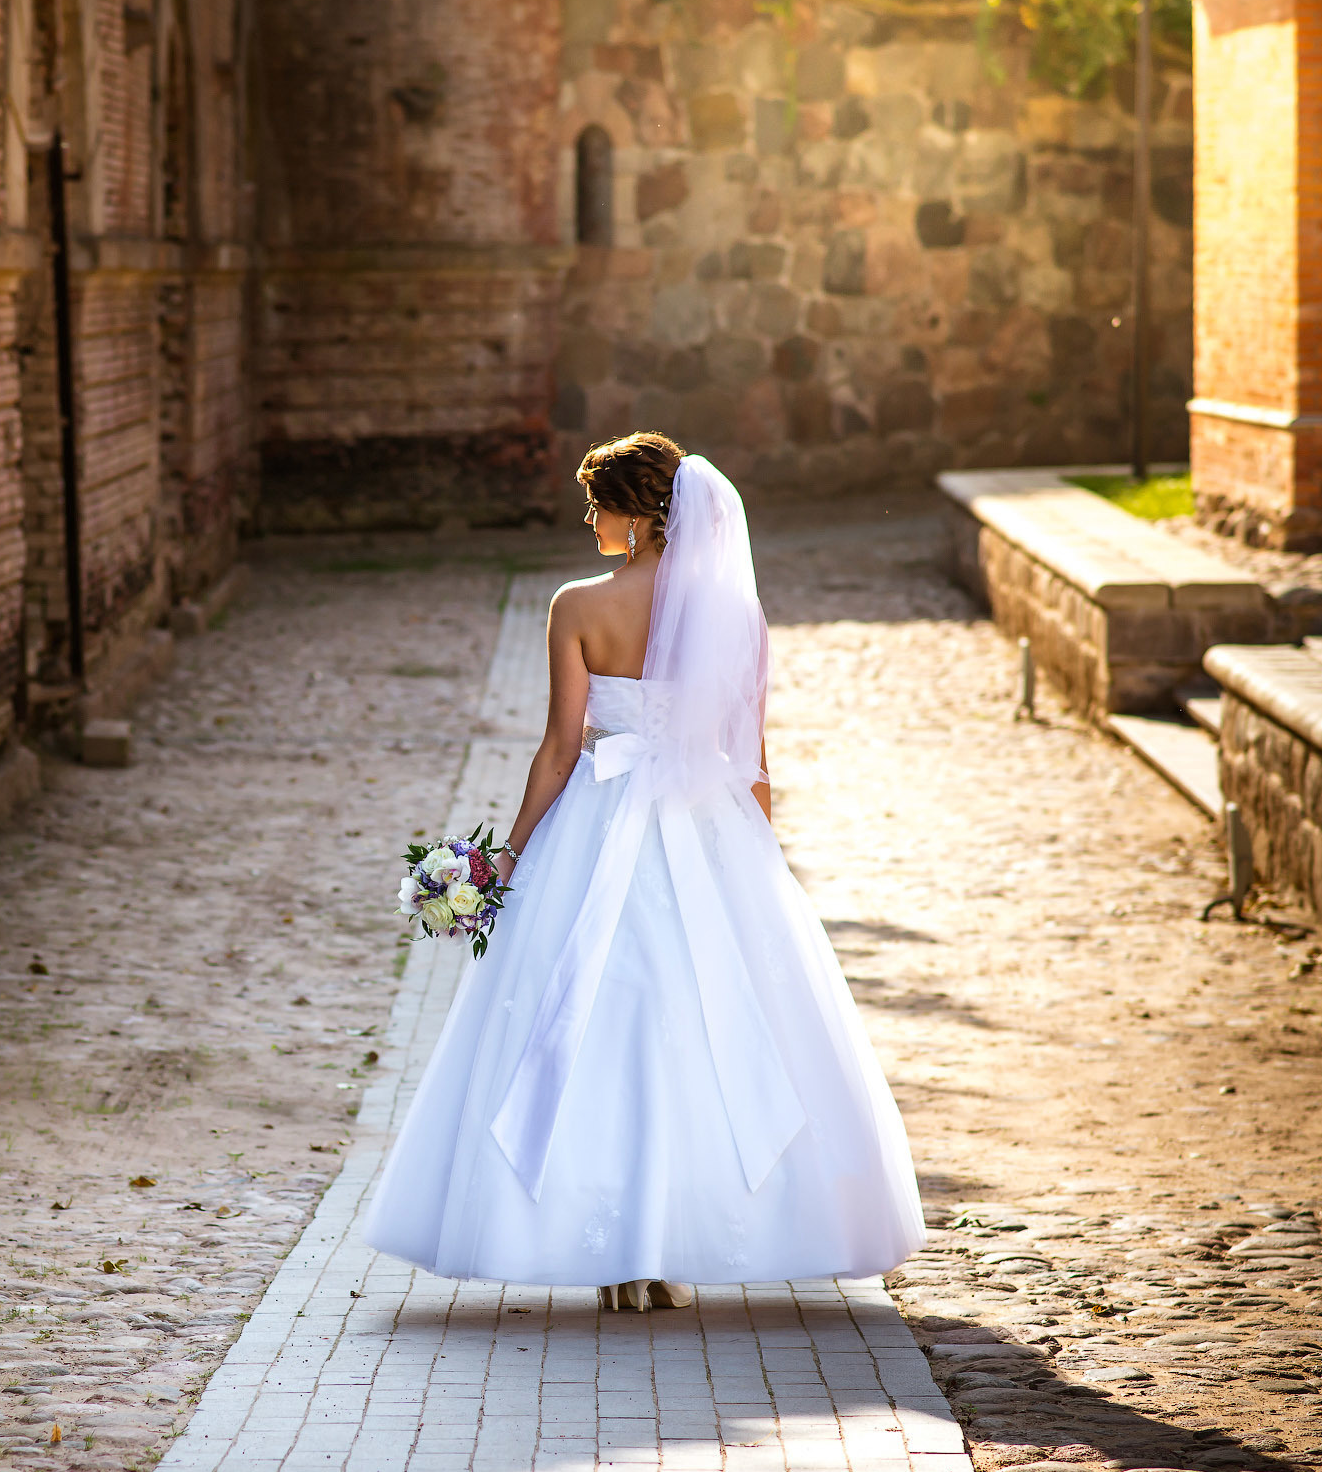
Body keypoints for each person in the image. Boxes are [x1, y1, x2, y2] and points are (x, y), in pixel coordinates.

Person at [360, 432, 925, 1309]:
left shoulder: (577, 606)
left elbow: (558, 750)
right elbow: (754, 758)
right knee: (699, 1025)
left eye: (597, 503)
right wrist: (760, 863)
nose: (589, 518)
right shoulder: (733, 610)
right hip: (707, 829)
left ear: (635, 515)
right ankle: (669, 1250)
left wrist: (509, 853)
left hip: (599, 820)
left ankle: (619, 1256)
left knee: (589, 1025)